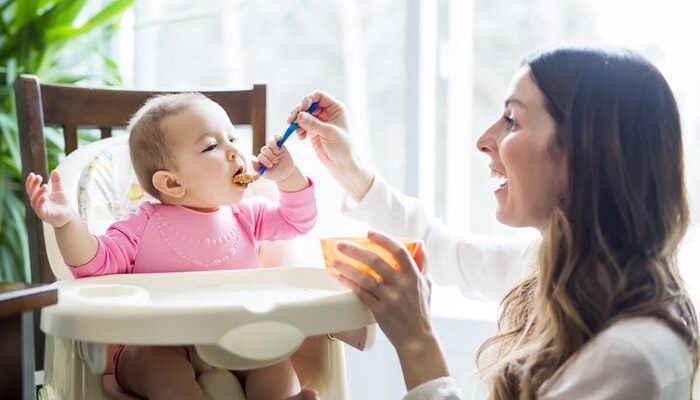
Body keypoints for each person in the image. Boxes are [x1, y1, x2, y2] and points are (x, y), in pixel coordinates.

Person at [288, 47, 699, 399]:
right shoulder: (554, 270)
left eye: (513, 121)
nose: (484, 139)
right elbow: (438, 246)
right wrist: (350, 168)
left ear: (586, 153)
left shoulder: (631, 357)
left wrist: (416, 341)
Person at [25, 93, 319, 400]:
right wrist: (67, 222)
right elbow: (93, 264)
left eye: (232, 137)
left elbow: (297, 221)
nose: (235, 151)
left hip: (235, 336)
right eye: (211, 146)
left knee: (273, 363)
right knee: (163, 371)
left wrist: (288, 177)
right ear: (171, 183)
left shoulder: (247, 215)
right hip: (153, 341)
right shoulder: (141, 226)